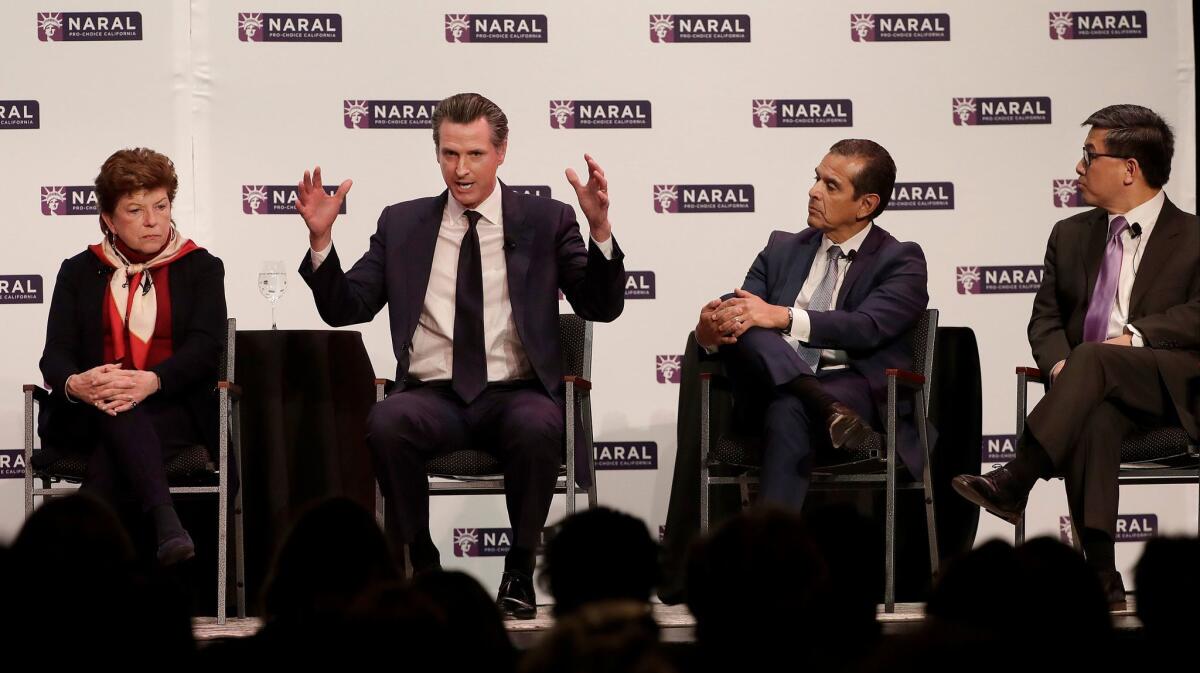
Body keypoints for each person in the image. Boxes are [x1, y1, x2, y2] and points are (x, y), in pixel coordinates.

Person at [296, 92, 626, 618]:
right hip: (433, 397)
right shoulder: (402, 224)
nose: (461, 169)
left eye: (474, 154)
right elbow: (346, 307)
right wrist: (320, 242)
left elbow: (601, 306)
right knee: (387, 422)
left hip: (516, 394)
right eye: (450, 154)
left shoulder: (547, 220)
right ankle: (424, 567)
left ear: (501, 152)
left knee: (541, 424)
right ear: (437, 154)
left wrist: (600, 232)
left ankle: (519, 571)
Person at [952, 104, 1199, 608]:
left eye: (1090, 156)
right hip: (1089, 387)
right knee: (1094, 415)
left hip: (1171, 385)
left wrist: (1136, 337)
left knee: (1094, 360)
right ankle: (1103, 574)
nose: (1079, 168)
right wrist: (1063, 367)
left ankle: (1017, 477)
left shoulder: (1194, 236)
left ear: (1130, 169)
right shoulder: (1070, 235)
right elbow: (1044, 321)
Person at [692, 139, 929, 511]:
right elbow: (740, 314)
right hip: (768, 388)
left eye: (830, 186)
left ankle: (769, 558)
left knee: (788, 407)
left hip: (851, 389)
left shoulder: (901, 261)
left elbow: (865, 327)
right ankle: (822, 403)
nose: (813, 192)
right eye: (816, 179)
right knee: (747, 316)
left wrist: (784, 317)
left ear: (867, 204)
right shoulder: (781, 248)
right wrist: (708, 334)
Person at [38, 147, 228, 565]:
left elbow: (204, 348)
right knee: (118, 407)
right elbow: (55, 354)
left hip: (172, 407)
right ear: (108, 219)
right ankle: (166, 525)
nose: (152, 220)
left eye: (161, 206)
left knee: (125, 415)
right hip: (88, 414)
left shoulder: (201, 268)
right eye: (135, 210)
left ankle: (72, 558)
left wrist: (152, 380)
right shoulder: (78, 270)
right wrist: (77, 384)